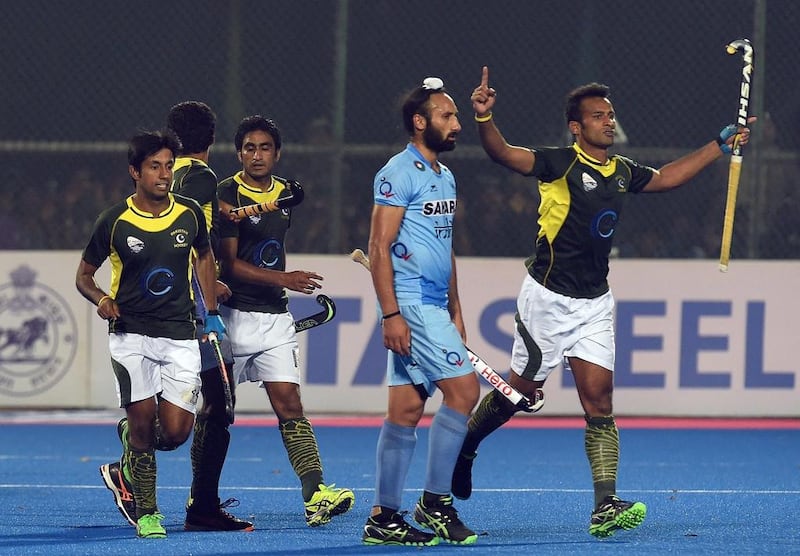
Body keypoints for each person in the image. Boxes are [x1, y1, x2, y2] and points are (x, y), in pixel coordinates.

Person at [452, 66, 754, 539]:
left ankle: (605, 504)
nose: (608, 121)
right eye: (598, 116)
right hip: (547, 300)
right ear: (577, 127)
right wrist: (485, 119)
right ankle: (465, 446)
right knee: (519, 394)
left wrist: (718, 146)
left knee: (600, 403)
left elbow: (669, 178)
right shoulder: (559, 163)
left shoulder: (623, 171)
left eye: (610, 114)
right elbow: (503, 154)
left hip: (595, 302)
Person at [76, 129, 226, 539]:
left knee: (176, 433)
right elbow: (84, 276)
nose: (163, 174)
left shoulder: (190, 213)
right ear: (135, 172)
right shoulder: (113, 220)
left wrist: (211, 311)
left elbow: (205, 257)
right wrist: (102, 299)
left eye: (168, 166)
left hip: (180, 335)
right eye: (155, 167)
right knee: (144, 424)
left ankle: (128, 439)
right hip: (131, 335)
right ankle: (148, 512)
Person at [215, 115, 355, 527]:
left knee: (290, 405)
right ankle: (142, 450)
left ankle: (315, 495)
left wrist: (280, 288)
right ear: (238, 153)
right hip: (231, 316)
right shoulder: (226, 193)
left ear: (277, 153)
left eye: (264, 148)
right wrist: (286, 279)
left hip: (275, 316)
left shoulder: (286, 192)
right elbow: (229, 264)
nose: (257, 155)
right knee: (208, 413)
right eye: (249, 148)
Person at [360, 77, 480, 547]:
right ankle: (435, 503)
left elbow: (444, 248)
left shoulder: (445, 175)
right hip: (409, 304)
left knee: (407, 410)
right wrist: (391, 315)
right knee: (465, 392)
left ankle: (383, 517)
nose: (457, 124)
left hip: (433, 304)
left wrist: (456, 308)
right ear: (419, 122)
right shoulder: (396, 173)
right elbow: (378, 246)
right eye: (448, 116)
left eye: (455, 116)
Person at [167, 100, 254, 531]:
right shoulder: (203, 178)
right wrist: (210, 296)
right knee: (218, 405)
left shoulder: (162, 177)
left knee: (181, 411)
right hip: (196, 313)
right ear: (213, 140)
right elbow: (194, 243)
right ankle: (202, 505)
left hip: (162, 306)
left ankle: (200, 503)